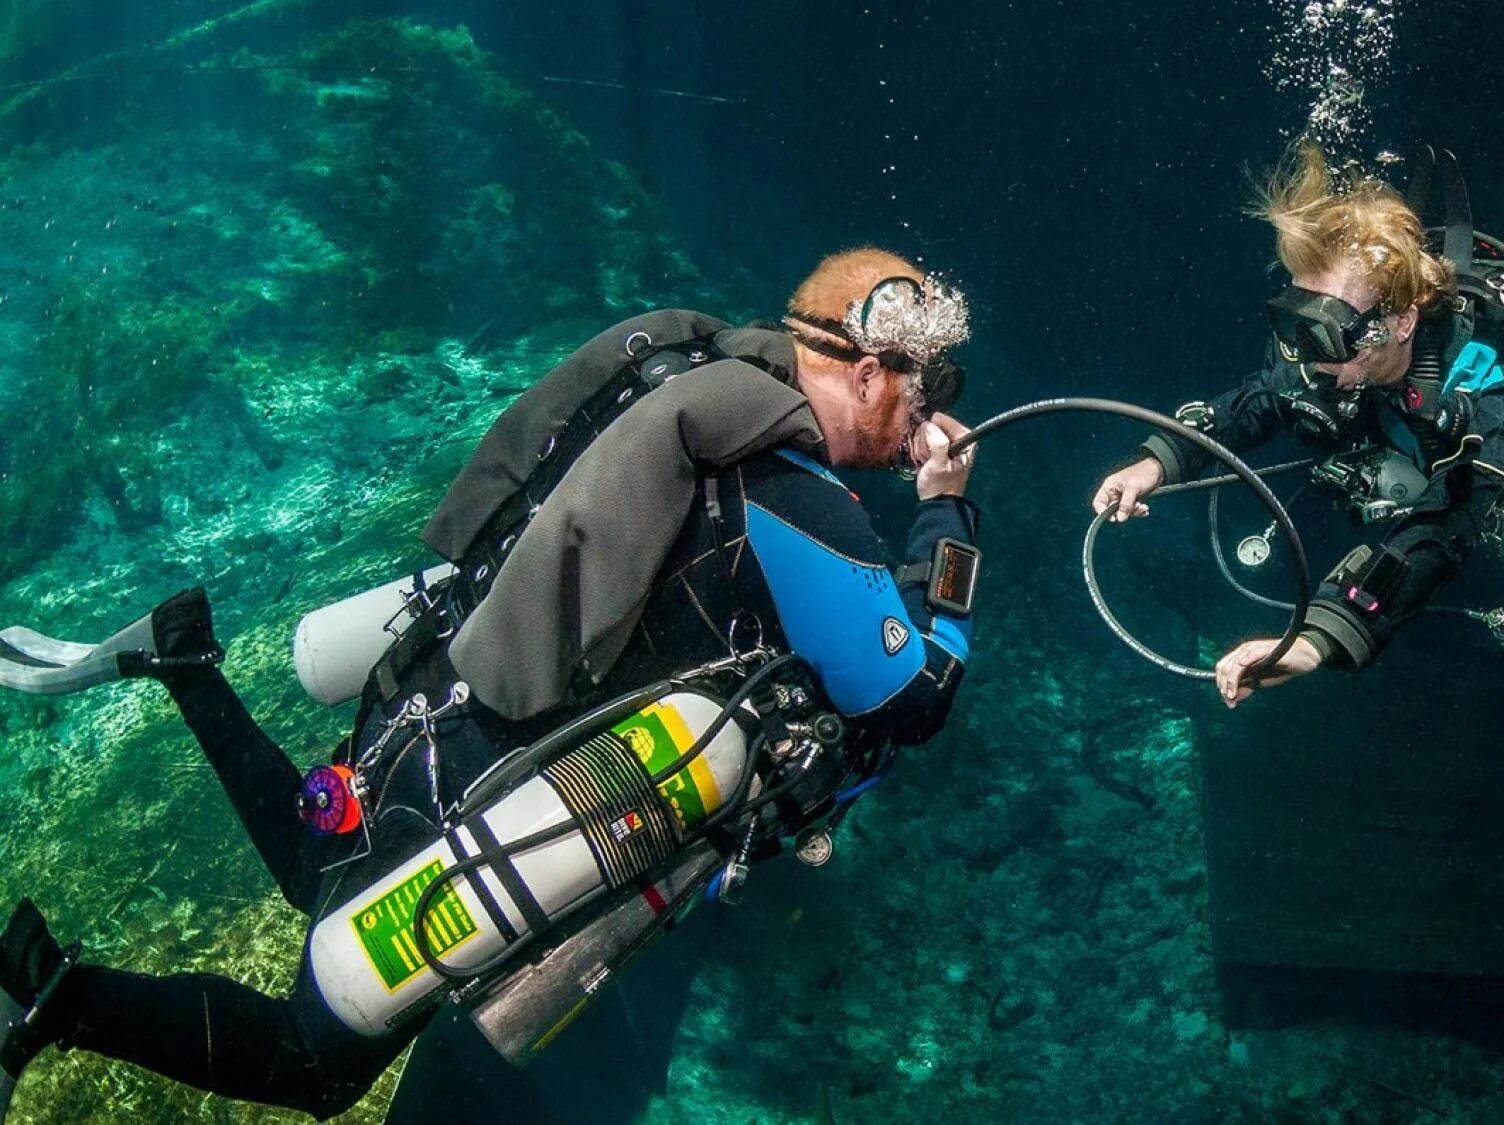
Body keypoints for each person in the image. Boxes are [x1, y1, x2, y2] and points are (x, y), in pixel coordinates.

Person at [0, 247, 983, 1119]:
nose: (926, 422)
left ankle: (184, 662)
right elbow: (911, 700)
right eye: (924, 392)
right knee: (315, 1060)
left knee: (316, 872)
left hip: (426, 698)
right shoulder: (800, 502)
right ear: (866, 373)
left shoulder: (687, 368)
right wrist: (948, 521)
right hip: (496, 794)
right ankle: (42, 995)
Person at [1092, 141, 1504, 708]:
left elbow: (1446, 520)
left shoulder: (1485, 385)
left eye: (1328, 331)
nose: (1306, 357)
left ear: (1401, 322)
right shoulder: (1326, 363)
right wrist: (1153, 464)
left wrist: (1317, 641)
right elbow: (1257, 401)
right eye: (1295, 321)